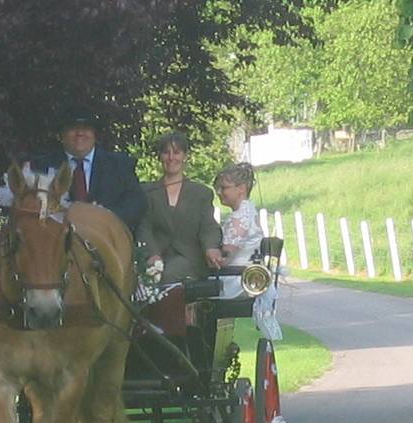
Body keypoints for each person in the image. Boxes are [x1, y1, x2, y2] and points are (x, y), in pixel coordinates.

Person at [31, 108, 146, 230]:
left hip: (107, 239)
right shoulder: (41, 166)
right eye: (73, 128)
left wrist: (104, 217)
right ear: (62, 134)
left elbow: (136, 203)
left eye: (86, 128)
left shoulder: (119, 165)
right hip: (57, 241)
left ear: (95, 134)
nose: (80, 133)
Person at [137, 131, 223, 284]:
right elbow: (144, 227)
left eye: (176, 152)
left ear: (185, 156)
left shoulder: (201, 193)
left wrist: (211, 247)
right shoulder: (146, 192)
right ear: (159, 156)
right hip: (155, 259)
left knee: (169, 275)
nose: (171, 158)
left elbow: (208, 226)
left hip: (189, 259)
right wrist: (152, 254)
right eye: (166, 152)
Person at [212, 162, 265, 298]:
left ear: (241, 188)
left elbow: (224, 260)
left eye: (223, 188)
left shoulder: (240, 218)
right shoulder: (249, 210)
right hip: (247, 275)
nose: (219, 192)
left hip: (237, 279)